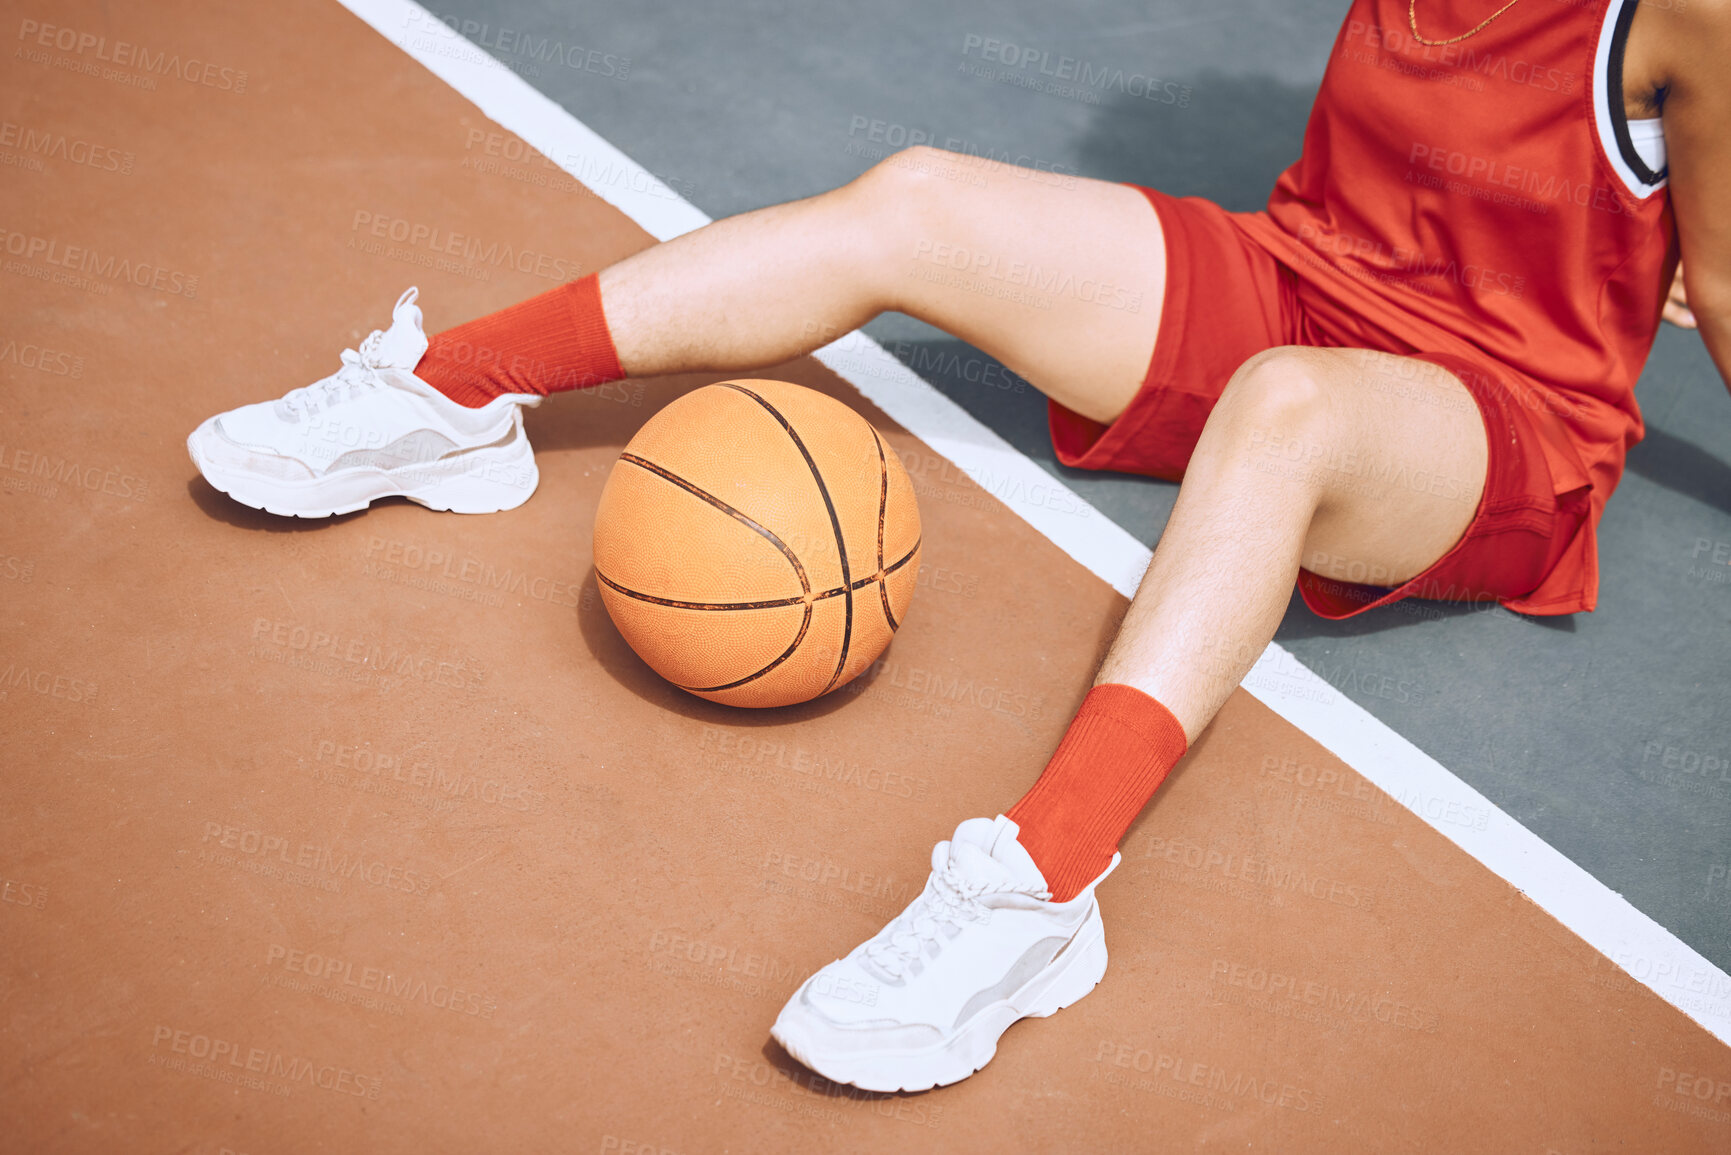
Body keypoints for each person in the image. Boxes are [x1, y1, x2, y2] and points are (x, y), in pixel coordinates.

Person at [187, 0, 1727, 1093]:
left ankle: (1035, 900)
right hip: (1295, 276)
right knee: (915, 202)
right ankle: (448, 398)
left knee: (1286, 410)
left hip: (1495, 427)